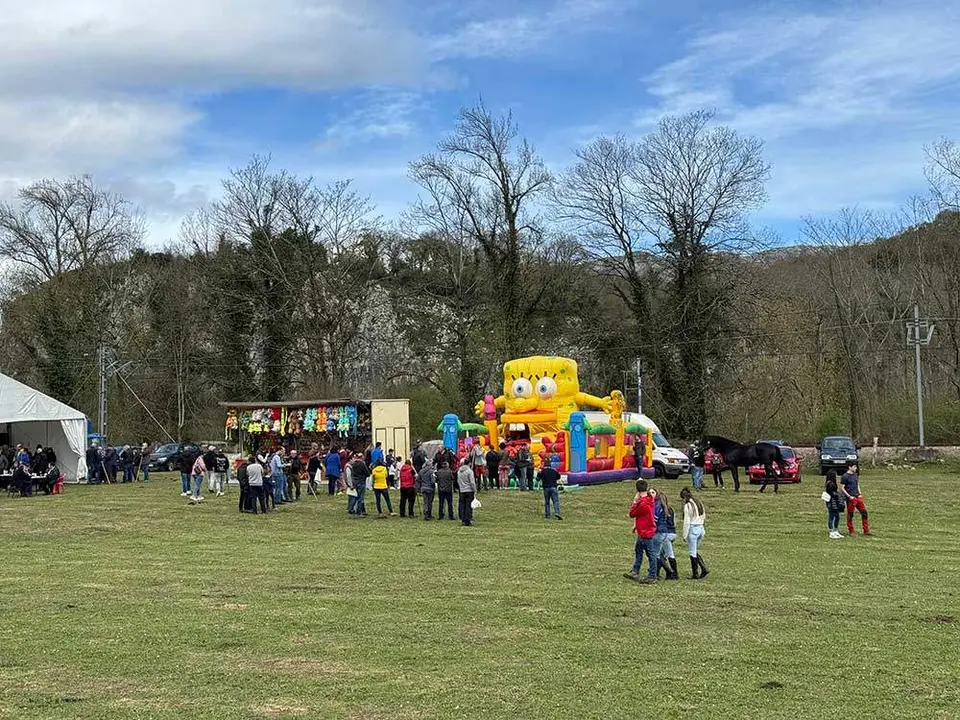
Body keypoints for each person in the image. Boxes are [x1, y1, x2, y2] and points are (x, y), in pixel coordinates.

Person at [624, 480, 660, 584]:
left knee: (650, 553)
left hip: (645, 531)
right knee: (638, 550)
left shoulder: (643, 503)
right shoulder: (650, 499)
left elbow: (632, 513)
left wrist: (635, 501)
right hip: (645, 529)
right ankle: (635, 570)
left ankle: (652, 575)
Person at [680, 487, 709, 580]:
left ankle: (696, 573)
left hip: (693, 528)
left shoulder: (688, 505)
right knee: (695, 550)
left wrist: (684, 534)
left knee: (692, 552)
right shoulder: (698, 502)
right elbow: (703, 516)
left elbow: (687, 521)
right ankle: (703, 568)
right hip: (701, 527)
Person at [655, 489, 679, 580]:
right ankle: (670, 573)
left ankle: (672, 573)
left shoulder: (660, 510)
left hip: (665, 534)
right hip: (673, 533)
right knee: (663, 554)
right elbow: (674, 522)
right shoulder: (671, 510)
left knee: (665, 554)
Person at [841, 461, 870, 535]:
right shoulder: (845, 476)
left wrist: (860, 494)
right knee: (850, 514)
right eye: (854, 467)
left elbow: (857, 484)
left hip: (858, 497)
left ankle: (866, 530)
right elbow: (842, 488)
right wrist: (849, 496)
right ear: (850, 467)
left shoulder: (855, 475)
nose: (856, 468)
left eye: (856, 467)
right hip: (851, 499)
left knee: (864, 513)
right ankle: (851, 530)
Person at [824, 470, 845, 539]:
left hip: (834, 502)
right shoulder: (830, 484)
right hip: (831, 503)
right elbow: (831, 493)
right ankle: (831, 531)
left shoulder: (832, 483)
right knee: (831, 516)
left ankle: (836, 530)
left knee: (837, 517)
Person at [456, 458, 477, 526]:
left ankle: (462, 518)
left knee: (462, 504)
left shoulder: (459, 471)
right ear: (469, 463)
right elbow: (472, 482)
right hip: (469, 490)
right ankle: (468, 519)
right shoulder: (469, 471)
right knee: (468, 505)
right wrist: (474, 490)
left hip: (462, 490)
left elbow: (458, 480)